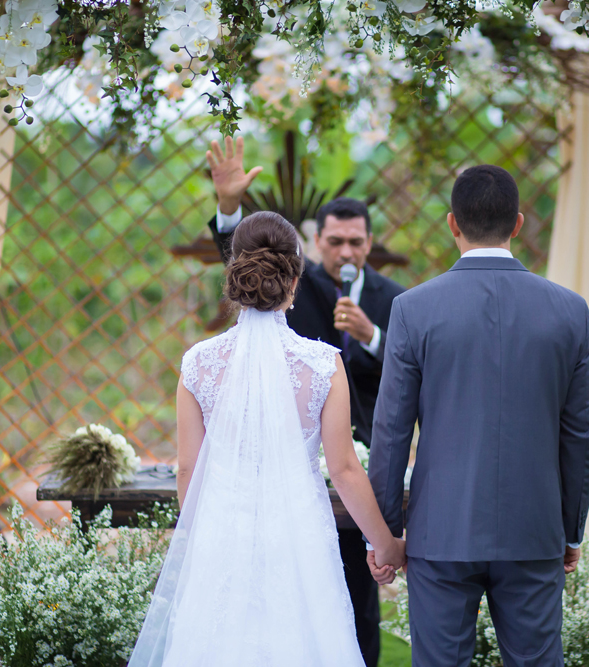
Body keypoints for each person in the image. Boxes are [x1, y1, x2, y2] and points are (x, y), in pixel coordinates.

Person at [128, 212, 406, 667]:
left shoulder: (198, 363)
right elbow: (343, 470)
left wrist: (200, 541)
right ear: (294, 281)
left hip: (222, 534)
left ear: (235, 275)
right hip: (299, 538)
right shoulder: (322, 364)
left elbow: (188, 469)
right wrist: (386, 544)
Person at [366, 165, 589, 667]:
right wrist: (570, 529)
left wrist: (384, 534)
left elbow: (391, 430)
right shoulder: (570, 311)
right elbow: (580, 432)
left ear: (452, 223)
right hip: (534, 530)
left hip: (441, 531)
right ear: (518, 223)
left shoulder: (412, 309)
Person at [203, 136, 404, 666]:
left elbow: (413, 374)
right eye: (335, 242)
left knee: (356, 604)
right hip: (298, 468)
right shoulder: (295, 281)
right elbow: (249, 267)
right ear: (316, 244)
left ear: (369, 242)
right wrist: (229, 209)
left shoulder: (395, 300)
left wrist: (374, 338)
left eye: (355, 242)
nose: (345, 252)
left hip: (364, 462)